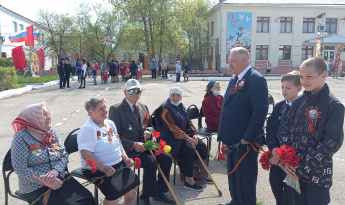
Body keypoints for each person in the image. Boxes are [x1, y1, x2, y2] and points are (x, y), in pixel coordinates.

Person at [280, 57, 344, 205]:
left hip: (318, 176)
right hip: (294, 171)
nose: (304, 81)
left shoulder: (333, 105)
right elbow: (286, 129)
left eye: (309, 76)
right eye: (301, 77)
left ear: (323, 75)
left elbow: (332, 142)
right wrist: (287, 160)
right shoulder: (297, 102)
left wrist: (303, 168)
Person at [11, 102, 96, 205]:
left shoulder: (52, 133)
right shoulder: (21, 137)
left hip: (59, 177)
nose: (49, 117)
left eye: (48, 114)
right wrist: (45, 179)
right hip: (34, 186)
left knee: (87, 199)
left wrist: (56, 171)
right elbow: (20, 167)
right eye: (44, 115)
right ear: (33, 118)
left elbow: (64, 155)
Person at [108, 79, 174, 205]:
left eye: (137, 90)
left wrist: (148, 130)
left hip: (145, 145)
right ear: (124, 92)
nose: (134, 93)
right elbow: (114, 136)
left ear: (140, 92)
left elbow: (150, 125)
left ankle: (160, 192)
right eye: (130, 91)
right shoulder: (116, 109)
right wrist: (133, 144)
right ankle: (145, 196)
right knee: (151, 163)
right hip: (128, 150)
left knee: (166, 158)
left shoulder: (143, 107)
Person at [218, 47, 268, 205]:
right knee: (233, 174)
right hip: (232, 138)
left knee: (245, 177)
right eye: (229, 60)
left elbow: (259, 112)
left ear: (245, 60)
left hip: (244, 141)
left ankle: (245, 202)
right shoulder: (235, 78)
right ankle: (236, 200)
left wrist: (248, 137)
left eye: (233, 61)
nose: (229, 64)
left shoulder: (256, 79)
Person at [78, 98, 139, 205]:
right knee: (114, 193)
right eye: (101, 109)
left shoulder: (109, 123)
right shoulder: (88, 129)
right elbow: (85, 153)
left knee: (134, 184)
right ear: (91, 112)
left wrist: (125, 158)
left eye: (105, 107)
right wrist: (104, 168)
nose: (105, 111)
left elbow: (118, 143)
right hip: (97, 169)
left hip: (117, 164)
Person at [154, 86, 211, 192]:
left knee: (202, 145)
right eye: (173, 95)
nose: (175, 98)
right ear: (169, 95)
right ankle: (189, 180)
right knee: (188, 148)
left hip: (184, 135)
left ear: (181, 96)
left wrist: (194, 134)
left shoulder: (180, 105)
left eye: (178, 95)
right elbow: (171, 128)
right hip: (169, 137)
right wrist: (187, 138)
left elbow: (189, 121)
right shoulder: (165, 108)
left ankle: (201, 175)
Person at [266, 71, 302, 205]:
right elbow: (270, 129)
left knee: (289, 190)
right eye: (282, 87)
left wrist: (283, 155)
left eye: (288, 88)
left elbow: (297, 136)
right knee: (274, 183)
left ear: (299, 88)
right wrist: (274, 149)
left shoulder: (302, 108)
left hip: (291, 159)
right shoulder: (280, 106)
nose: (284, 91)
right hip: (276, 155)